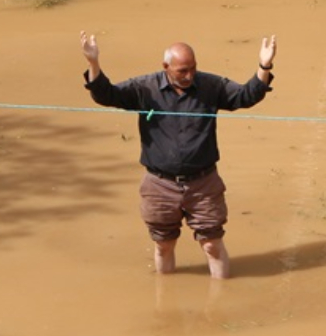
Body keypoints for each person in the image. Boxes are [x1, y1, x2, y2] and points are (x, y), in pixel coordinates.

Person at [81, 31, 277, 277]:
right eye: (182, 71)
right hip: (159, 185)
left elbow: (246, 96)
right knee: (163, 246)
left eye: (193, 68)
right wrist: (93, 63)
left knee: (212, 245)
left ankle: (220, 304)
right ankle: (164, 299)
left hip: (204, 184)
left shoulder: (211, 85)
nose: (189, 75)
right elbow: (106, 95)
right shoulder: (145, 88)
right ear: (166, 67)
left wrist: (264, 65)